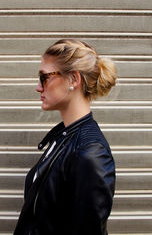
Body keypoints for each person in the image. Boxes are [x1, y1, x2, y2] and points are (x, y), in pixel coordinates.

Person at [14, 39, 117, 235]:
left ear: (73, 80)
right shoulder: (63, 137)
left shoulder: (90, 153)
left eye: (44, 77)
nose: (38, 87)